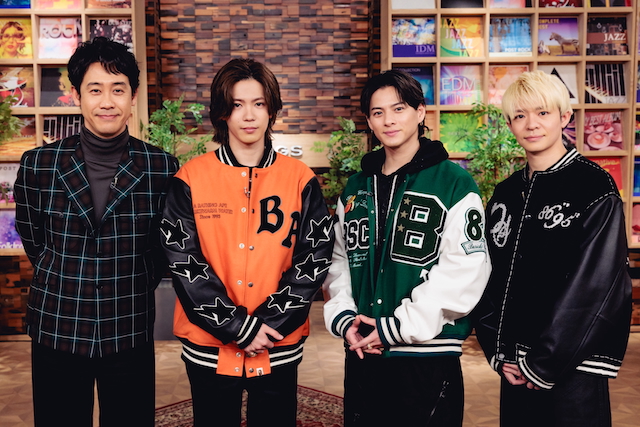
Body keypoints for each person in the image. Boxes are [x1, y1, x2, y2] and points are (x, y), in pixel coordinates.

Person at [160, 58, 334, 427]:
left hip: (276, 341)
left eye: (258, 103)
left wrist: (267, 324)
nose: (249, 115)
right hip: (209, 345)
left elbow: (315, 257)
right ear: (222, 112)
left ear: (272, 110)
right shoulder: (190, 178)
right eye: (237, 104)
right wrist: (238, 326)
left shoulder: (300, 178)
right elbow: (183, 261)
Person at [14, 37, 179, 427]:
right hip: (57, 323)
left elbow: (161, 250)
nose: (107, 101)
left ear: (133, 96)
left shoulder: (161, 167)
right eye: (95, 90)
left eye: (118, 89)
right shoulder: (39, 164)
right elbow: (35, 240)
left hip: (129, 323)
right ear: (76, 96)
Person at [322, 69, 491, 426]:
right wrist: (345, 317)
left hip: (427, 356)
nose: (389, 120)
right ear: (369, 121)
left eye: (398, 109)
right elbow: (340, 260)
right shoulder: (356, 188)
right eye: (378, 112)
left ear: (420, 112)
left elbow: (466, 268)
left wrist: (399, 326)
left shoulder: (454, 183)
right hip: (363, 351)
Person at [473, 70, 632, 427]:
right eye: (519, 115)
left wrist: (543, 363)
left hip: (573, 366)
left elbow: (596, 287)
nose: (531, 124)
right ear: (509, 125)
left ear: (564, 117)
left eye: (542, 112)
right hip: (515, 364)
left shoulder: (594, 187)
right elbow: (489, 276)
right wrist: (498, 350)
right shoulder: (506, 193)